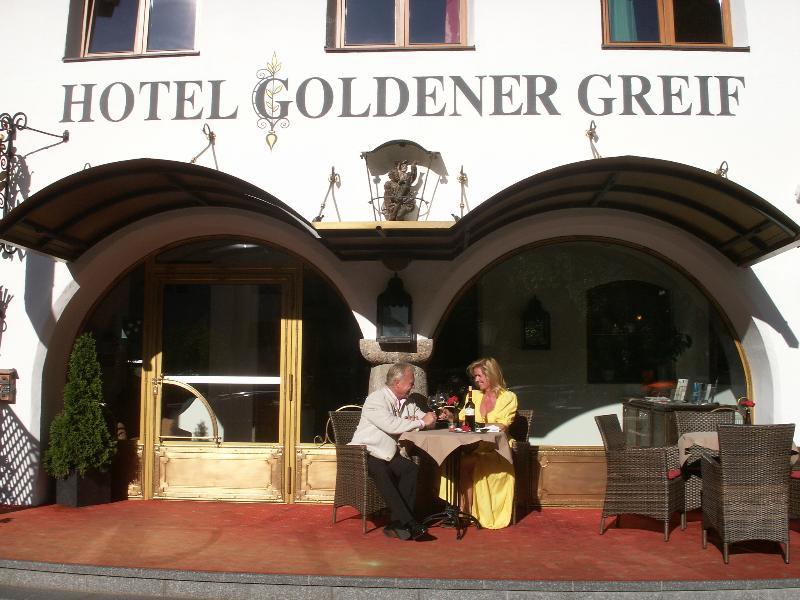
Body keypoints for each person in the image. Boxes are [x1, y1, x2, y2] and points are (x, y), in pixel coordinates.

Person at [350, 362, 437, 540]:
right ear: (397, 383)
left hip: (387, 453)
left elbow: (426, 419)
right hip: (365, 452)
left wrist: (434, 417)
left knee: (410, 469)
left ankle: (396, 523)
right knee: (383, 472)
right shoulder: (375, 399)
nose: (413, 386)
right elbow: (390, 424)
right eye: (410, 382)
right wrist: (420, 422)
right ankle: (411, 523)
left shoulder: (407, 402)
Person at [457, 357, 518, 529]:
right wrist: (450, 416)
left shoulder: (508, 397)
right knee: (455, 462)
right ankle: (465, 511)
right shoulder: (473, 396)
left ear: (491, 374)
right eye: (474, 377)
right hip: (475, 446)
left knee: (464, 464)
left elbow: (501, 426)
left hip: (498, 448)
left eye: (479, 376)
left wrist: (477, 427)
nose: (476, 380)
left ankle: (466, 512)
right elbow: (463, 420)